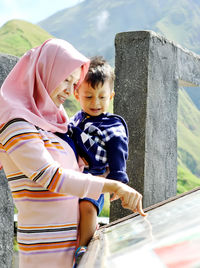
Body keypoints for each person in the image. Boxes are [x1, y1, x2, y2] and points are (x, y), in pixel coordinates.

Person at [0, 39, 146, 268]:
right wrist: (114, 186)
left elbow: (82, 168)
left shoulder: (58, 124)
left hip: (78, 248)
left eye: (75, 82)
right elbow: (51, 176)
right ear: (45, 72)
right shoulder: (16, 124)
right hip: (46, 250)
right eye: (65, 80)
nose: (70, 90)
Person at [65, 56, 130, 265]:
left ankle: (83, 249)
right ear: (77, 94)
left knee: (87, 205)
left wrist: (117, 181)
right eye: (89, 96)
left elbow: (118, 151)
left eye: (102, 97)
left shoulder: (112, 126)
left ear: (110, 96)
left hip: (97, 177)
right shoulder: (77, 119)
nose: (96, 103)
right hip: (75, 178)